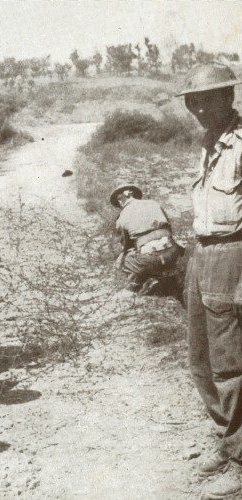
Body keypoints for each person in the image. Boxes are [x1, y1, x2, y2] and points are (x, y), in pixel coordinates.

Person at [178, 63, 242, 498]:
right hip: (201, 253)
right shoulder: (208, 141)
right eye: (193, 100)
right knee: (200, 358)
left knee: (230, 363)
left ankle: (240, 460)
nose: (199, 107)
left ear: (229, 98)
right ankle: (228, 440)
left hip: (232, 252)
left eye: (208, 98)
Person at [110, 183, 181, 296]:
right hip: (172, 252)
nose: (119, 203)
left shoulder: (122, 217)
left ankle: (142, 281)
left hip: (148, 259)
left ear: (127, 194)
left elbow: (123, 245)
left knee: (123, 260)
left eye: (119, 199)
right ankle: (165, 273)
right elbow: (169, 227)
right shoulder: (153, 203)